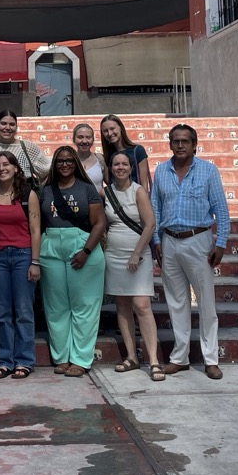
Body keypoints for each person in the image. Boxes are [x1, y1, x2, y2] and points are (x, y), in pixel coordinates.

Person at [149, 123, 229, 380]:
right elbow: (155, 209)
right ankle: (180, 358)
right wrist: (156, 241)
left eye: (185, 141)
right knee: (176, 301)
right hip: (169, 241)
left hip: (199, 241)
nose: (180, 145)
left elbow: (221, 210)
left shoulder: (208, 170)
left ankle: (210, 359)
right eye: (176, 141)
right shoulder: (161, 171)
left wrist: (221, 243)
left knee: (206, 302)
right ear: (170, 144)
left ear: (195, 145)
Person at [39, 146, 106, 379]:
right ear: (54, 164)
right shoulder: (46, 189)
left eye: (69, 161)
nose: (65, 165)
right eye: (60, 161)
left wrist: (86, 251)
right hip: (51, 248)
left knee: (84, 306)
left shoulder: (87, 189)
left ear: (75, 163)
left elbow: (99, 223)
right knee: (56, 307)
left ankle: (81, 358)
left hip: (82, 245)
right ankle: (63, 357)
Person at [103, 150, 163, 381]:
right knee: (122, 305)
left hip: (137, 254)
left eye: (124, 164)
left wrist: (137, 254)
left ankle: (154, 360)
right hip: (114, 255)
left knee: (142, 305)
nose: (120, 167)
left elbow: (150, 224)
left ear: (130, 167)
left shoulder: (138, 191)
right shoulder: (106, 192)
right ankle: (131, 357)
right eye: (116, 164)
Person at [0, 150, 41, 379]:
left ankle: (24, 360)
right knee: (2, 311)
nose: (2, 168)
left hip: (23, 255)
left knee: (24, 310)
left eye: (6, 164)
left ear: (16, 168)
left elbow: (36, 230)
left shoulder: (28, 194)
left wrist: (35, 261)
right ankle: (5, 360)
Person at [0, 110, 51, 185]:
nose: (7, 127)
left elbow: (48, 170)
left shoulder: (28, 148)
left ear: (16, 127)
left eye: (12, 124)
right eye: (3, 123)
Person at [100, 114, 150, 190]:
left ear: (120, 128)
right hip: (116, 200)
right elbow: (110, 183)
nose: (110, 133)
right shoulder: (107, 156)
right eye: (105, 131)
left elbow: (144, 184)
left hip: (136, 199)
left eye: (112, 128)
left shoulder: (138, 151)